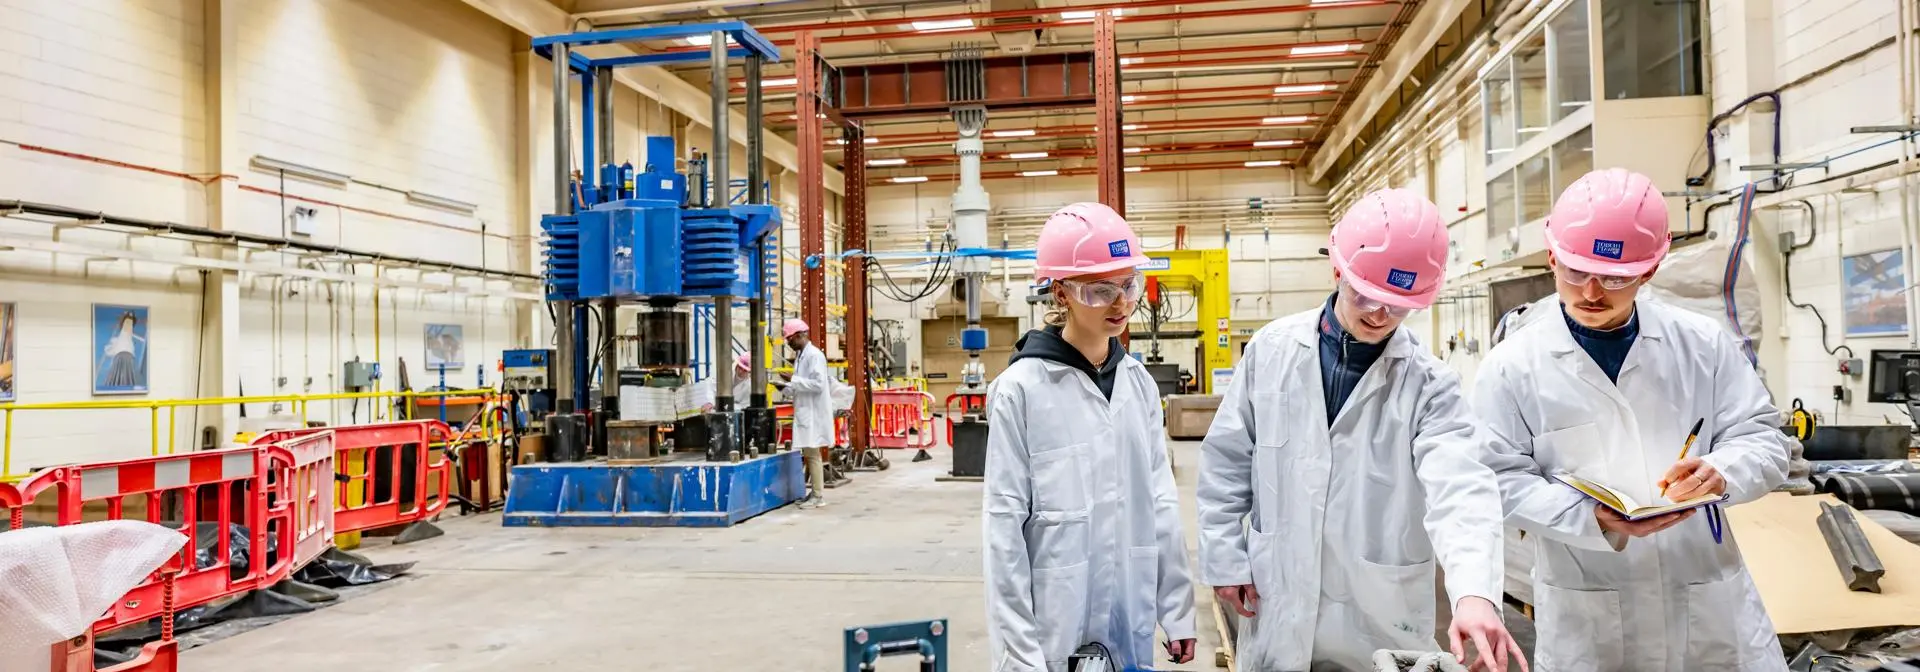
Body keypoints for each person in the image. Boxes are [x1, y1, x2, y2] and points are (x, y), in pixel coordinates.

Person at [1196, 188, 1525, 672]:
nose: (1378, 315)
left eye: (1397, 306)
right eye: (1366, 296)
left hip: (1377, 618)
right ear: (1338, 269)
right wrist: (1224, 555)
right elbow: (1227, 462)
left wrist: (1475, 593)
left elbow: (1462, 491)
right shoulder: (1271, 351)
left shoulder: (1430, 386)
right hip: (1277, 601)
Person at [1474, 168, 1789, 671]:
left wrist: (1722, 471)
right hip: (1590, 611)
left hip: (1708, 606)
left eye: (1617, 277)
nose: (1593, 292)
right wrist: (1586, 514)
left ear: (1651, 268)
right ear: (1552, 256)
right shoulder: (1512, 367)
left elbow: (1764, 439)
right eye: (1576, 271)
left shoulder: (1701, 345)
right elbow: (1494, 476)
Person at [983, 202, 1196, 672]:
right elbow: (1003, 530)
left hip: (1128, 612)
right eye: (1100, 291)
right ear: (1061, 293)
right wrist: (1020, 653)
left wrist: (1176, 609)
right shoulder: (1022, 389)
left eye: (1128, 286)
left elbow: (1159, 499)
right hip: (1053, 623)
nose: (1121, 304)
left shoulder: (1136, 384)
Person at [779, 318, 832, 509]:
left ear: (800, 335)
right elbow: (799, 385)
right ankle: (814, 493)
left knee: (813, 454)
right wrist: (784, 387)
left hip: (814, 413)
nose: (789, 343)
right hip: (805, 411)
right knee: (810, 453)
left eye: (790, 339)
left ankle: (818, 496)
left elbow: (818, 384)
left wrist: (793, 379)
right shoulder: (802, 356)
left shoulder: (814, 356)